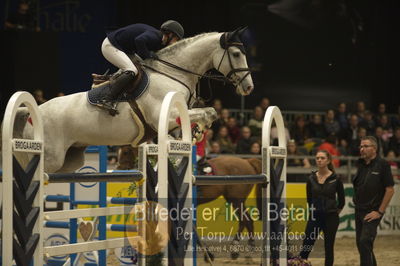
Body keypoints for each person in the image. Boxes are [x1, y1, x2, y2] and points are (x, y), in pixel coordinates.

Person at [99, 20, 184, 111]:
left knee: (144, 67)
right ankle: (106, 99)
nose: (175, 43)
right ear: (170, 34)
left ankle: (119, 84)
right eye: (176, 39)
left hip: (124, 49)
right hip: (110, 46)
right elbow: (139, 40)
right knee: (132, 70)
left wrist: (148, 55)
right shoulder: (155, 37)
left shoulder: (158, 39)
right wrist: (148, 54)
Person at [352, 136, 395, 266]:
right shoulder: (360, 163)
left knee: (365, 241)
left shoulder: (382, 164)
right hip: (359, 209)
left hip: (372, 212)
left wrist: (379, 211)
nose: (362, 149)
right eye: (361, 146)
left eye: (365, 146)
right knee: (362, 244)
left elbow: (390, 190)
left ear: (374, 149)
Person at [299, 150, 345, 266]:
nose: (319, 160)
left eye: (322, 158)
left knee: (328, 247)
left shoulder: (336, 178)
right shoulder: (311, 178)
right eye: (317, 158)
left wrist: (333, 212)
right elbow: (309, 199)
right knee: (307, 244)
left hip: (331, 217)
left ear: (328, 160)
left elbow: (342, 201)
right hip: (315, 216)